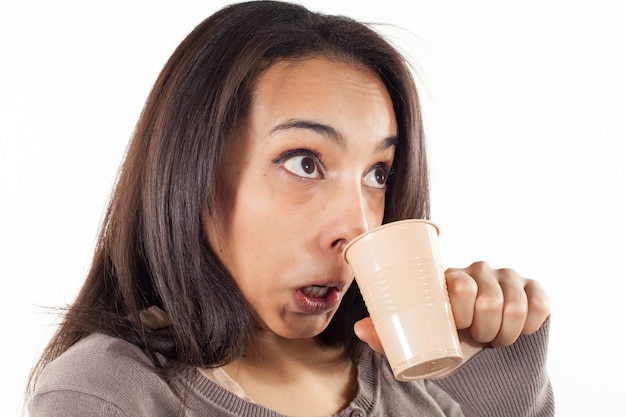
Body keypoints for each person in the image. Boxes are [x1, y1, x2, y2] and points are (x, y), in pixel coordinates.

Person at [26, 1, 554, 416]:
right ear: (192, 172)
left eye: (378, 175)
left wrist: (496, 369)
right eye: (304, 163)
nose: (358, 229)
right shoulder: (110, 394)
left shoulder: (425, 379)